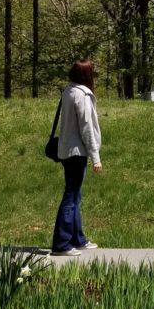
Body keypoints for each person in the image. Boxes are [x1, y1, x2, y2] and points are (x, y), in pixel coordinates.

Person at [51, 58, 102, 255]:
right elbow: (87, 128)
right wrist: (95, 157)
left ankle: (77, 239)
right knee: (71, 196)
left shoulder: (68, 91)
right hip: (76, 152)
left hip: (65, 150)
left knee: (75, 195)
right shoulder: (82, 95)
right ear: (86, 75)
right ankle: (61, 244)